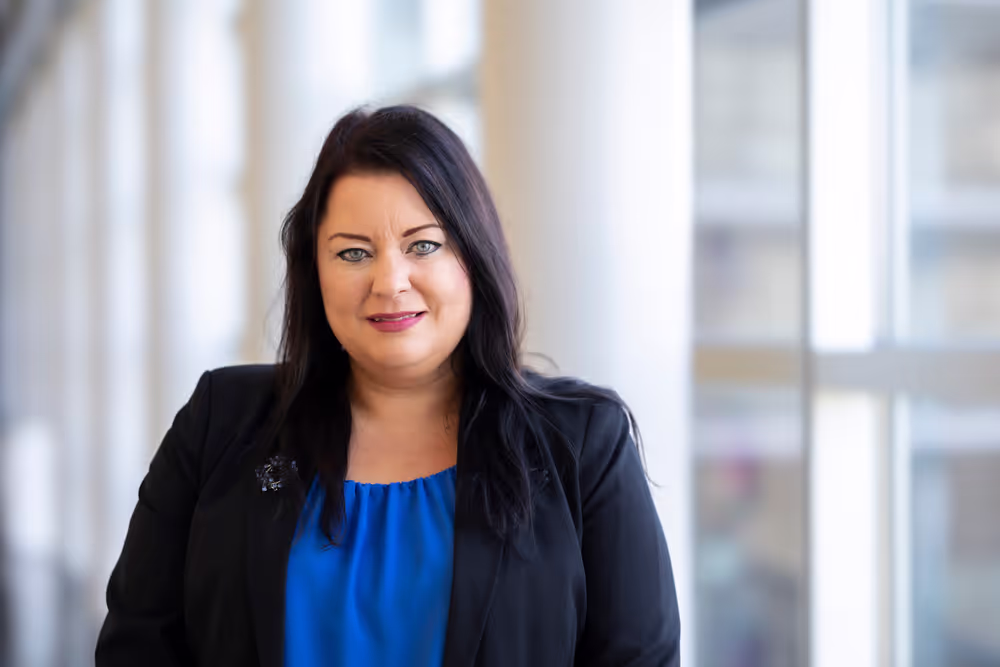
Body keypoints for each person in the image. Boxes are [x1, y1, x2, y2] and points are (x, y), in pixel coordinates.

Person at [95, 105, 680, 666]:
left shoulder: (583, 444)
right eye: (353, 253)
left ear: (473, 256)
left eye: (423, 245)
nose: (389, 281)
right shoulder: (218, 422)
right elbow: (137, 644)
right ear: (314, 272)